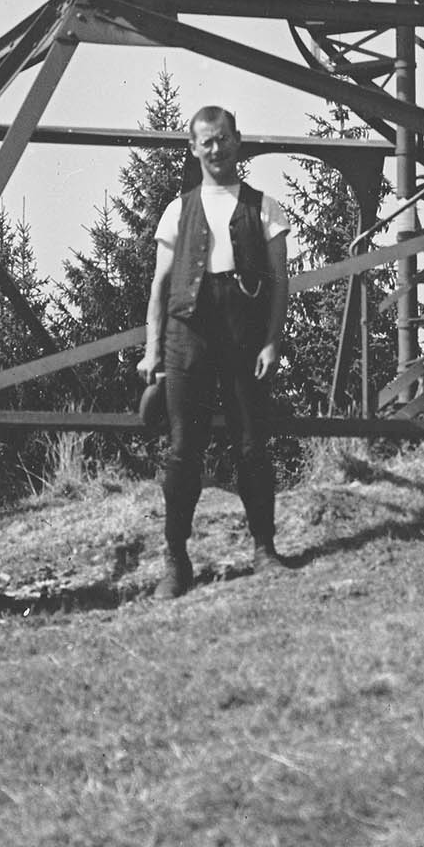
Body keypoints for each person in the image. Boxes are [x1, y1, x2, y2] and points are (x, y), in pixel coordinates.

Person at [138, 104, 291, 596]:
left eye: (223, 138)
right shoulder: (177, 209)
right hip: (189, 335)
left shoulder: (264, 207)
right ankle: (176, 559)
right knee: (184, 450)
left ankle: (264, 548)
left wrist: (271, 340)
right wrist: (152, 350)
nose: (216, 148)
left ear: (237, 140)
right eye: (206, 141)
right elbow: (160, 286)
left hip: (244, 336)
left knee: (252, 445)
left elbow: (280, 284)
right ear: (193, 148)